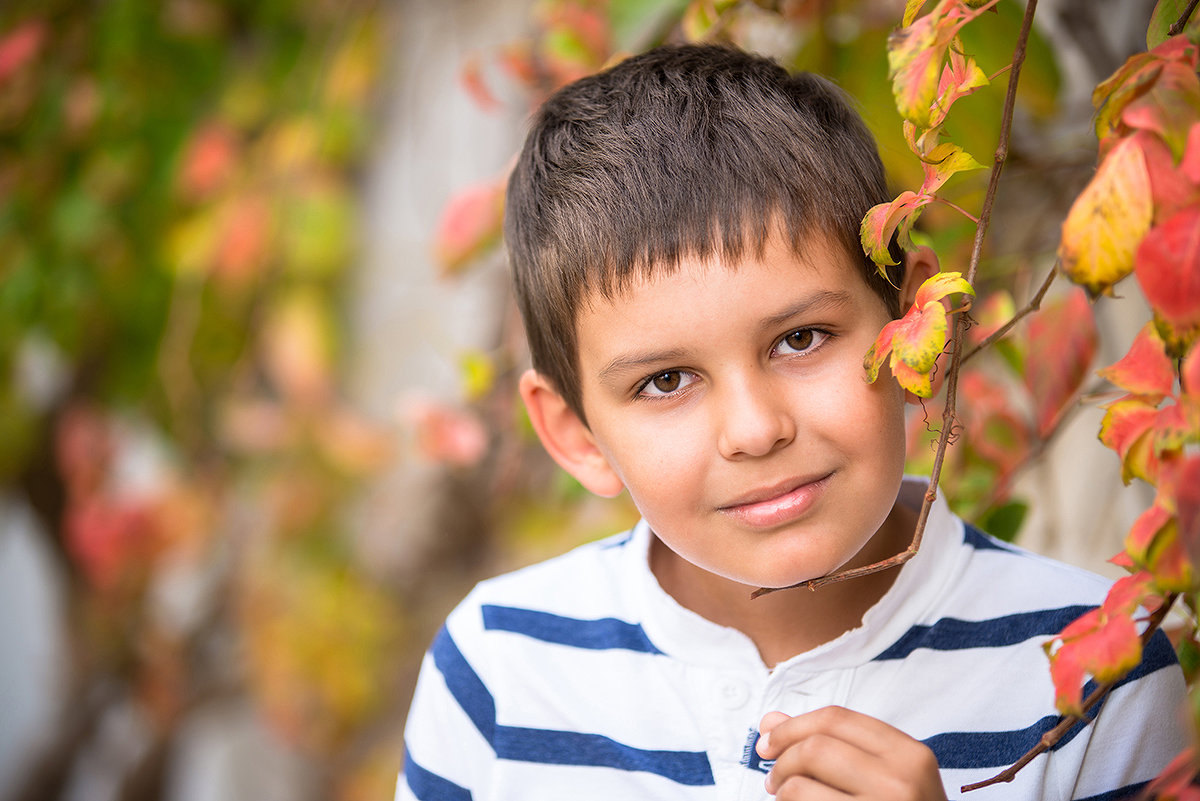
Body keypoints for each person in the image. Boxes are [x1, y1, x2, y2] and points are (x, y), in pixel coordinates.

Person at [396, 44, 1189, 800]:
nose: (755, 428)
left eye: (799, 339)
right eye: (666, 380)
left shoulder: (1095, 663)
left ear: (915, 328)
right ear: (576, 435)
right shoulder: (499, 668)